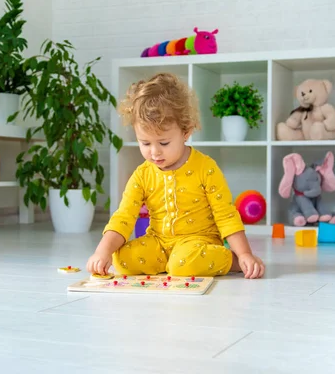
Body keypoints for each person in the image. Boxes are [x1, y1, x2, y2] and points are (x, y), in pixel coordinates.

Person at [86, 73, 265, 279]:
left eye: (163, 143)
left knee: (183, 264)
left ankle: (230, 260)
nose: (154, 152)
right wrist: (103, 251)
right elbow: (123, 217)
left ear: (186, 131)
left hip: (199, 242)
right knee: (122, 259)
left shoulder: (206, 167)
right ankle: (169, 262)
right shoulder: (142, 174)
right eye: (145, 143)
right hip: (158, 242)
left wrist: (244, 254)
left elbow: (226, 216)